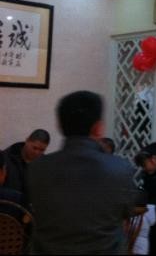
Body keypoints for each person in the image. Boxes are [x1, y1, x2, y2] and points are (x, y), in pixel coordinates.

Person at [27, 91, 138, 255]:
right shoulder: (120, 168)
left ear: (60, 125)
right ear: (98, 128)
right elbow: (128, 212)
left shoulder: (37, 168)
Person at [4, 129, 50, 199]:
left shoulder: (45, 165)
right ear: (27, 140)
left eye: (42, 150)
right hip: (8, 203)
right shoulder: (6, 158)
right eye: (34, 148)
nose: (37, 153)